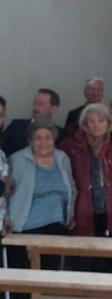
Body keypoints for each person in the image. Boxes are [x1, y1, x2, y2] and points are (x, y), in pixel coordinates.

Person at [61, 103, 112, 272]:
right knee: (82, 261)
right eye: (91, 121)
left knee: (105, 262)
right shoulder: (71, 145)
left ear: (109, 124)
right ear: (84, 124)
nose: (96, 125)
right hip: (82, 210)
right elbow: (64, 179)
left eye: (101, 121)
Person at [7, 121, 76, 293]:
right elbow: (6, 194)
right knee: (23, 280)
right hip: (25, 226)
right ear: (30, 141)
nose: (43, 142)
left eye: (48, 138)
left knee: (49, 278)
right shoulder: (17, 160)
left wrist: (70, 213)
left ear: (54, 140)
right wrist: (6, 220)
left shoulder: (62, 158)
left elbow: (71, 188)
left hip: (56, 226)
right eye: (38, 138)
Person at [3, 88, 65, 156]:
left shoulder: (61, 134)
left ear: (54, 109)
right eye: (34, 103)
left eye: (41, 104)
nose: (35, 107)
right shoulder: (16, 126)